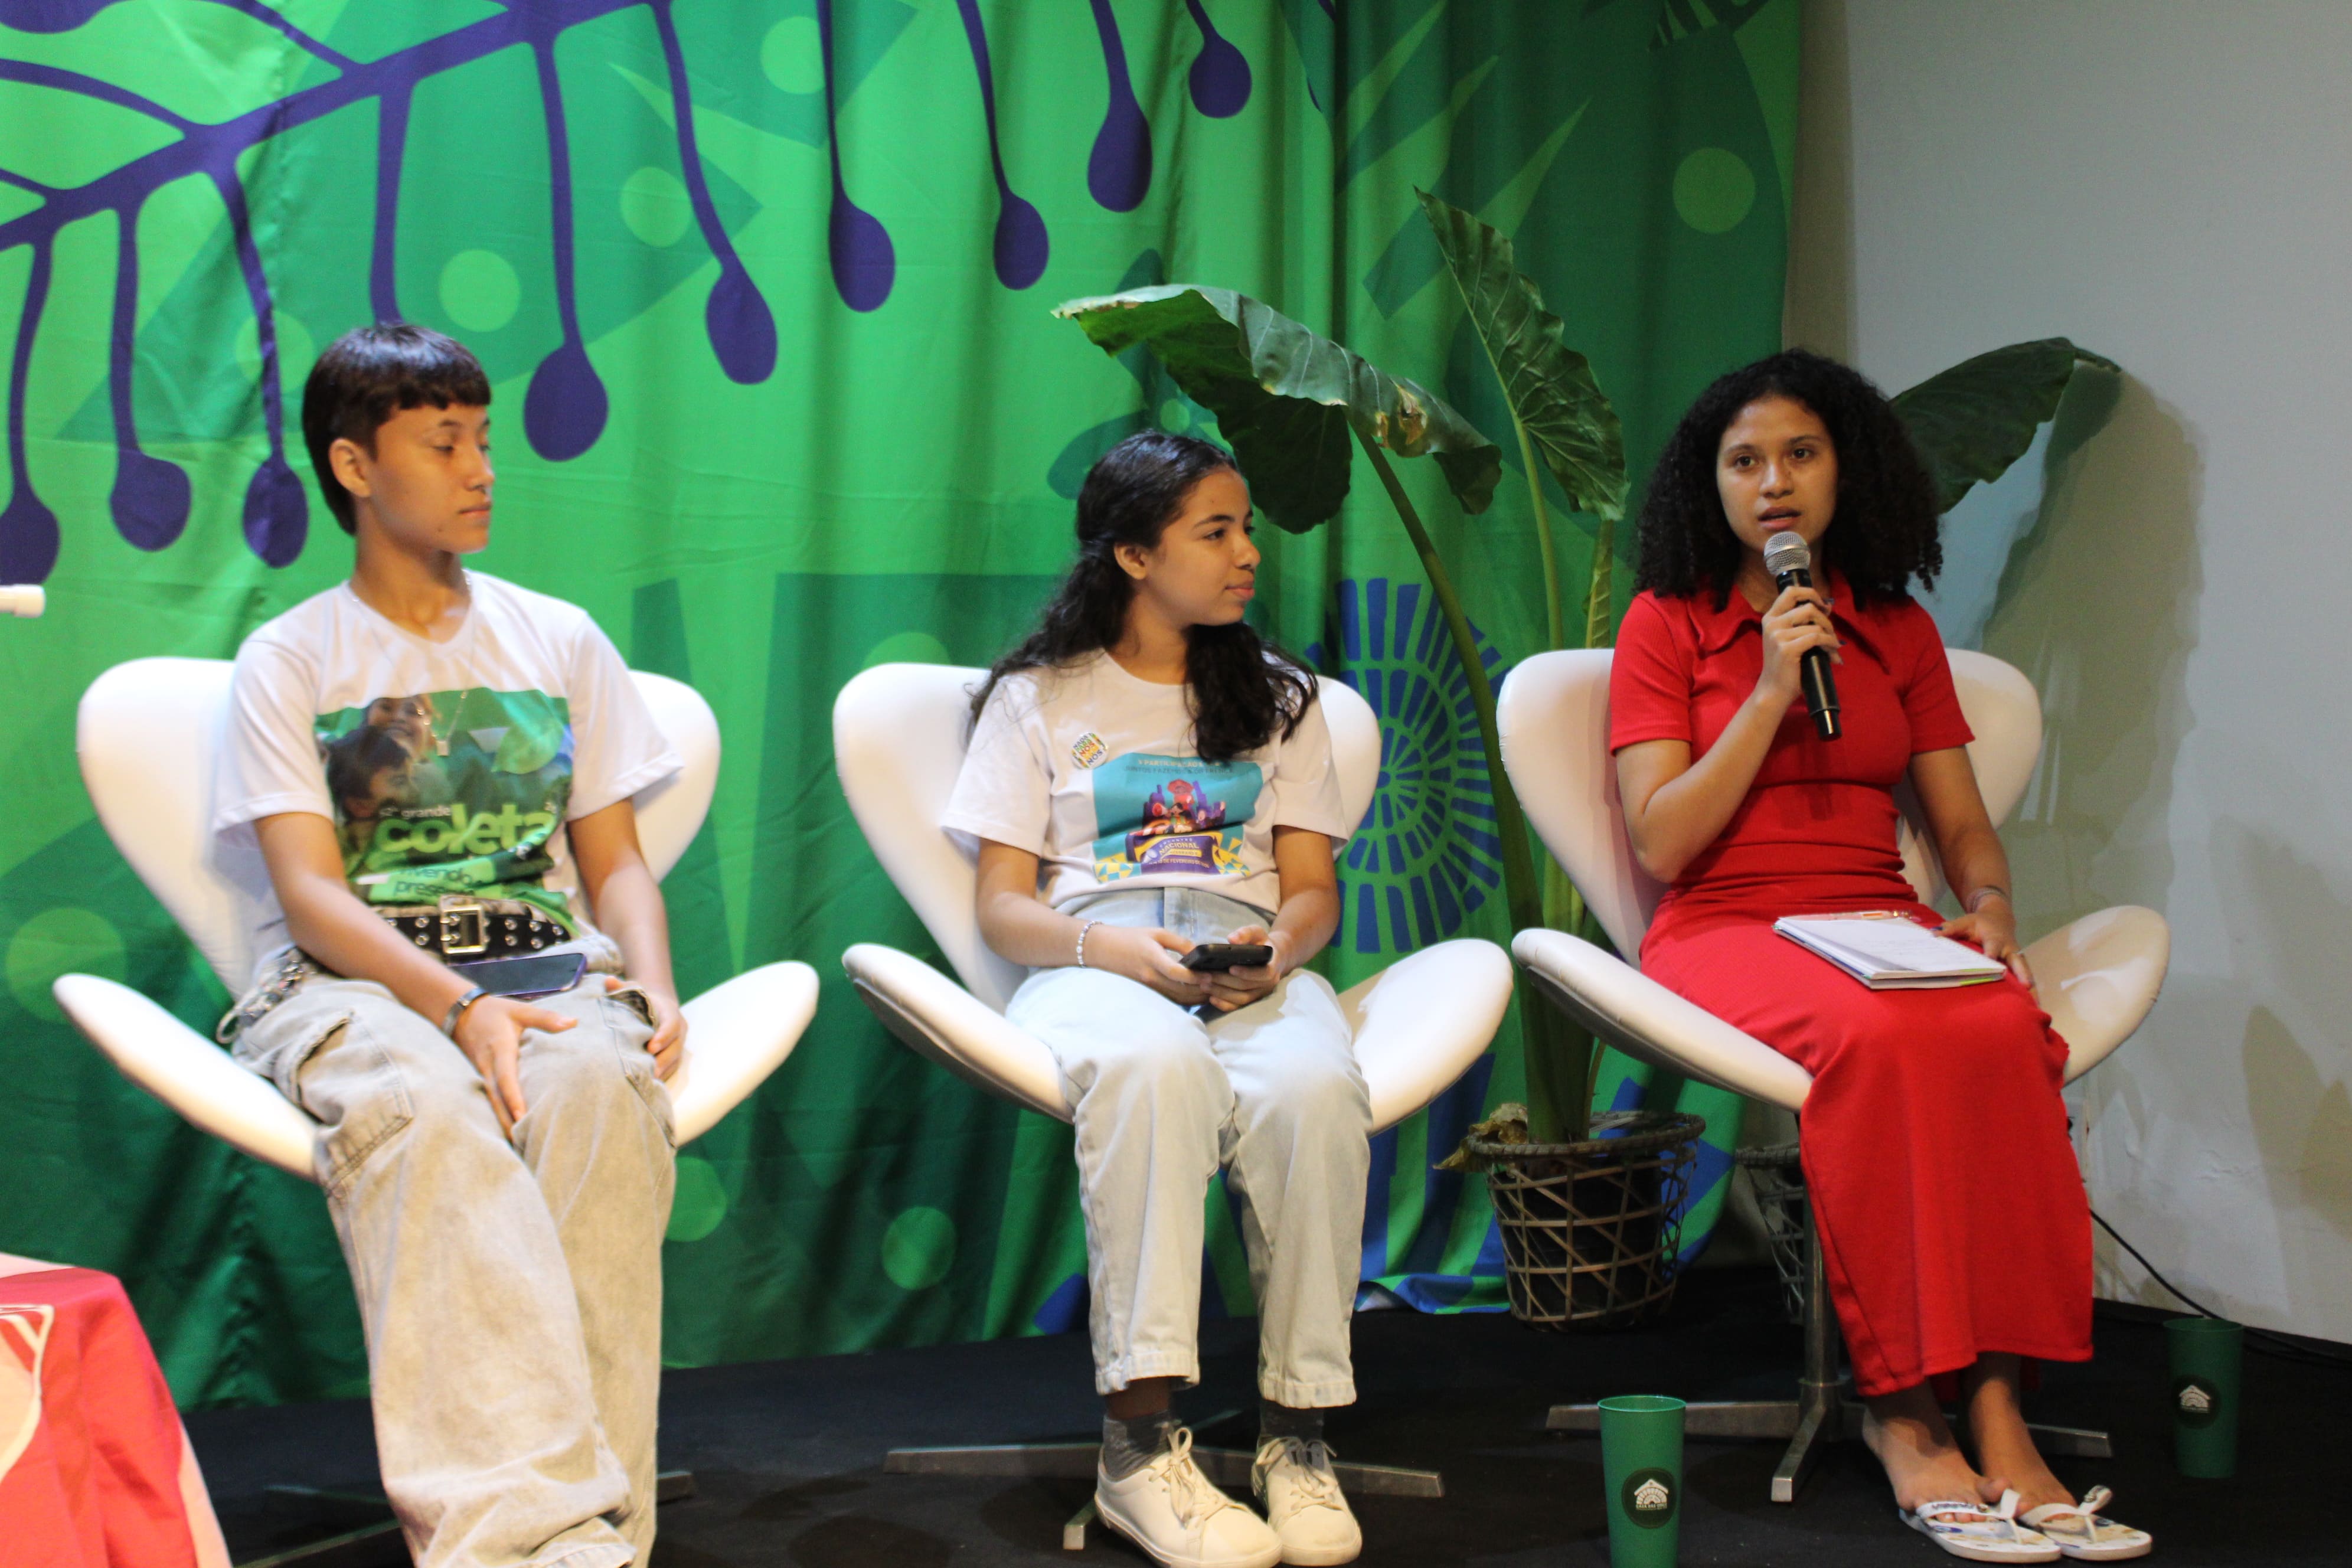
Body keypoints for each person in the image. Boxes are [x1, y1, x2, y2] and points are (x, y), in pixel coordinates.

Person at [1609, 350, 2151, 1562]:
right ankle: (1904, 1408)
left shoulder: (1895, 623)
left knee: (2002, 1021)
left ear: (1845, 469)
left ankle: (2000, 1405)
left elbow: (1960, 823)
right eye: (1744, 461)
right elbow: (1662, 836)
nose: (1774, 483)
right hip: (1726, 924)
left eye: (1800, 454)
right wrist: (1763, 689)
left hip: (1872, 918)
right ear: (1713, 486)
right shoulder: (1668, 625)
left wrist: (1992, 906)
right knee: (1880, 1037)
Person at [214, 323, 686, 1568]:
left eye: (485, 439)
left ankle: (599, 1532)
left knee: (595, 1093)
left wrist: (649, 976)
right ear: (357, 468)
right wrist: (453, 1003)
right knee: (426, 1109)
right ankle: (518, 1534)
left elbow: (615, 857)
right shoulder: (291, 659)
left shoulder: (560, 637)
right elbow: (313, 897)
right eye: (445, 443)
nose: (483, 468)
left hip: (543, 965)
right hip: (352, 983)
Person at [943, 430, 1368, 1568]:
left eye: (1248, 529)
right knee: (1155, 1069)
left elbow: (1315, 889)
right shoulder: (1038, 699)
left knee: (1316, 1085)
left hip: (1249, 964)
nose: (1249, 555)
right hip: (1095, 969)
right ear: (1134, 553)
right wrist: (1110, 953)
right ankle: (1140, 1449)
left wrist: (1279, 951)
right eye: (1215, 532)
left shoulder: (1283, 699)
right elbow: (1003, 906)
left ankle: (1301, 1437)